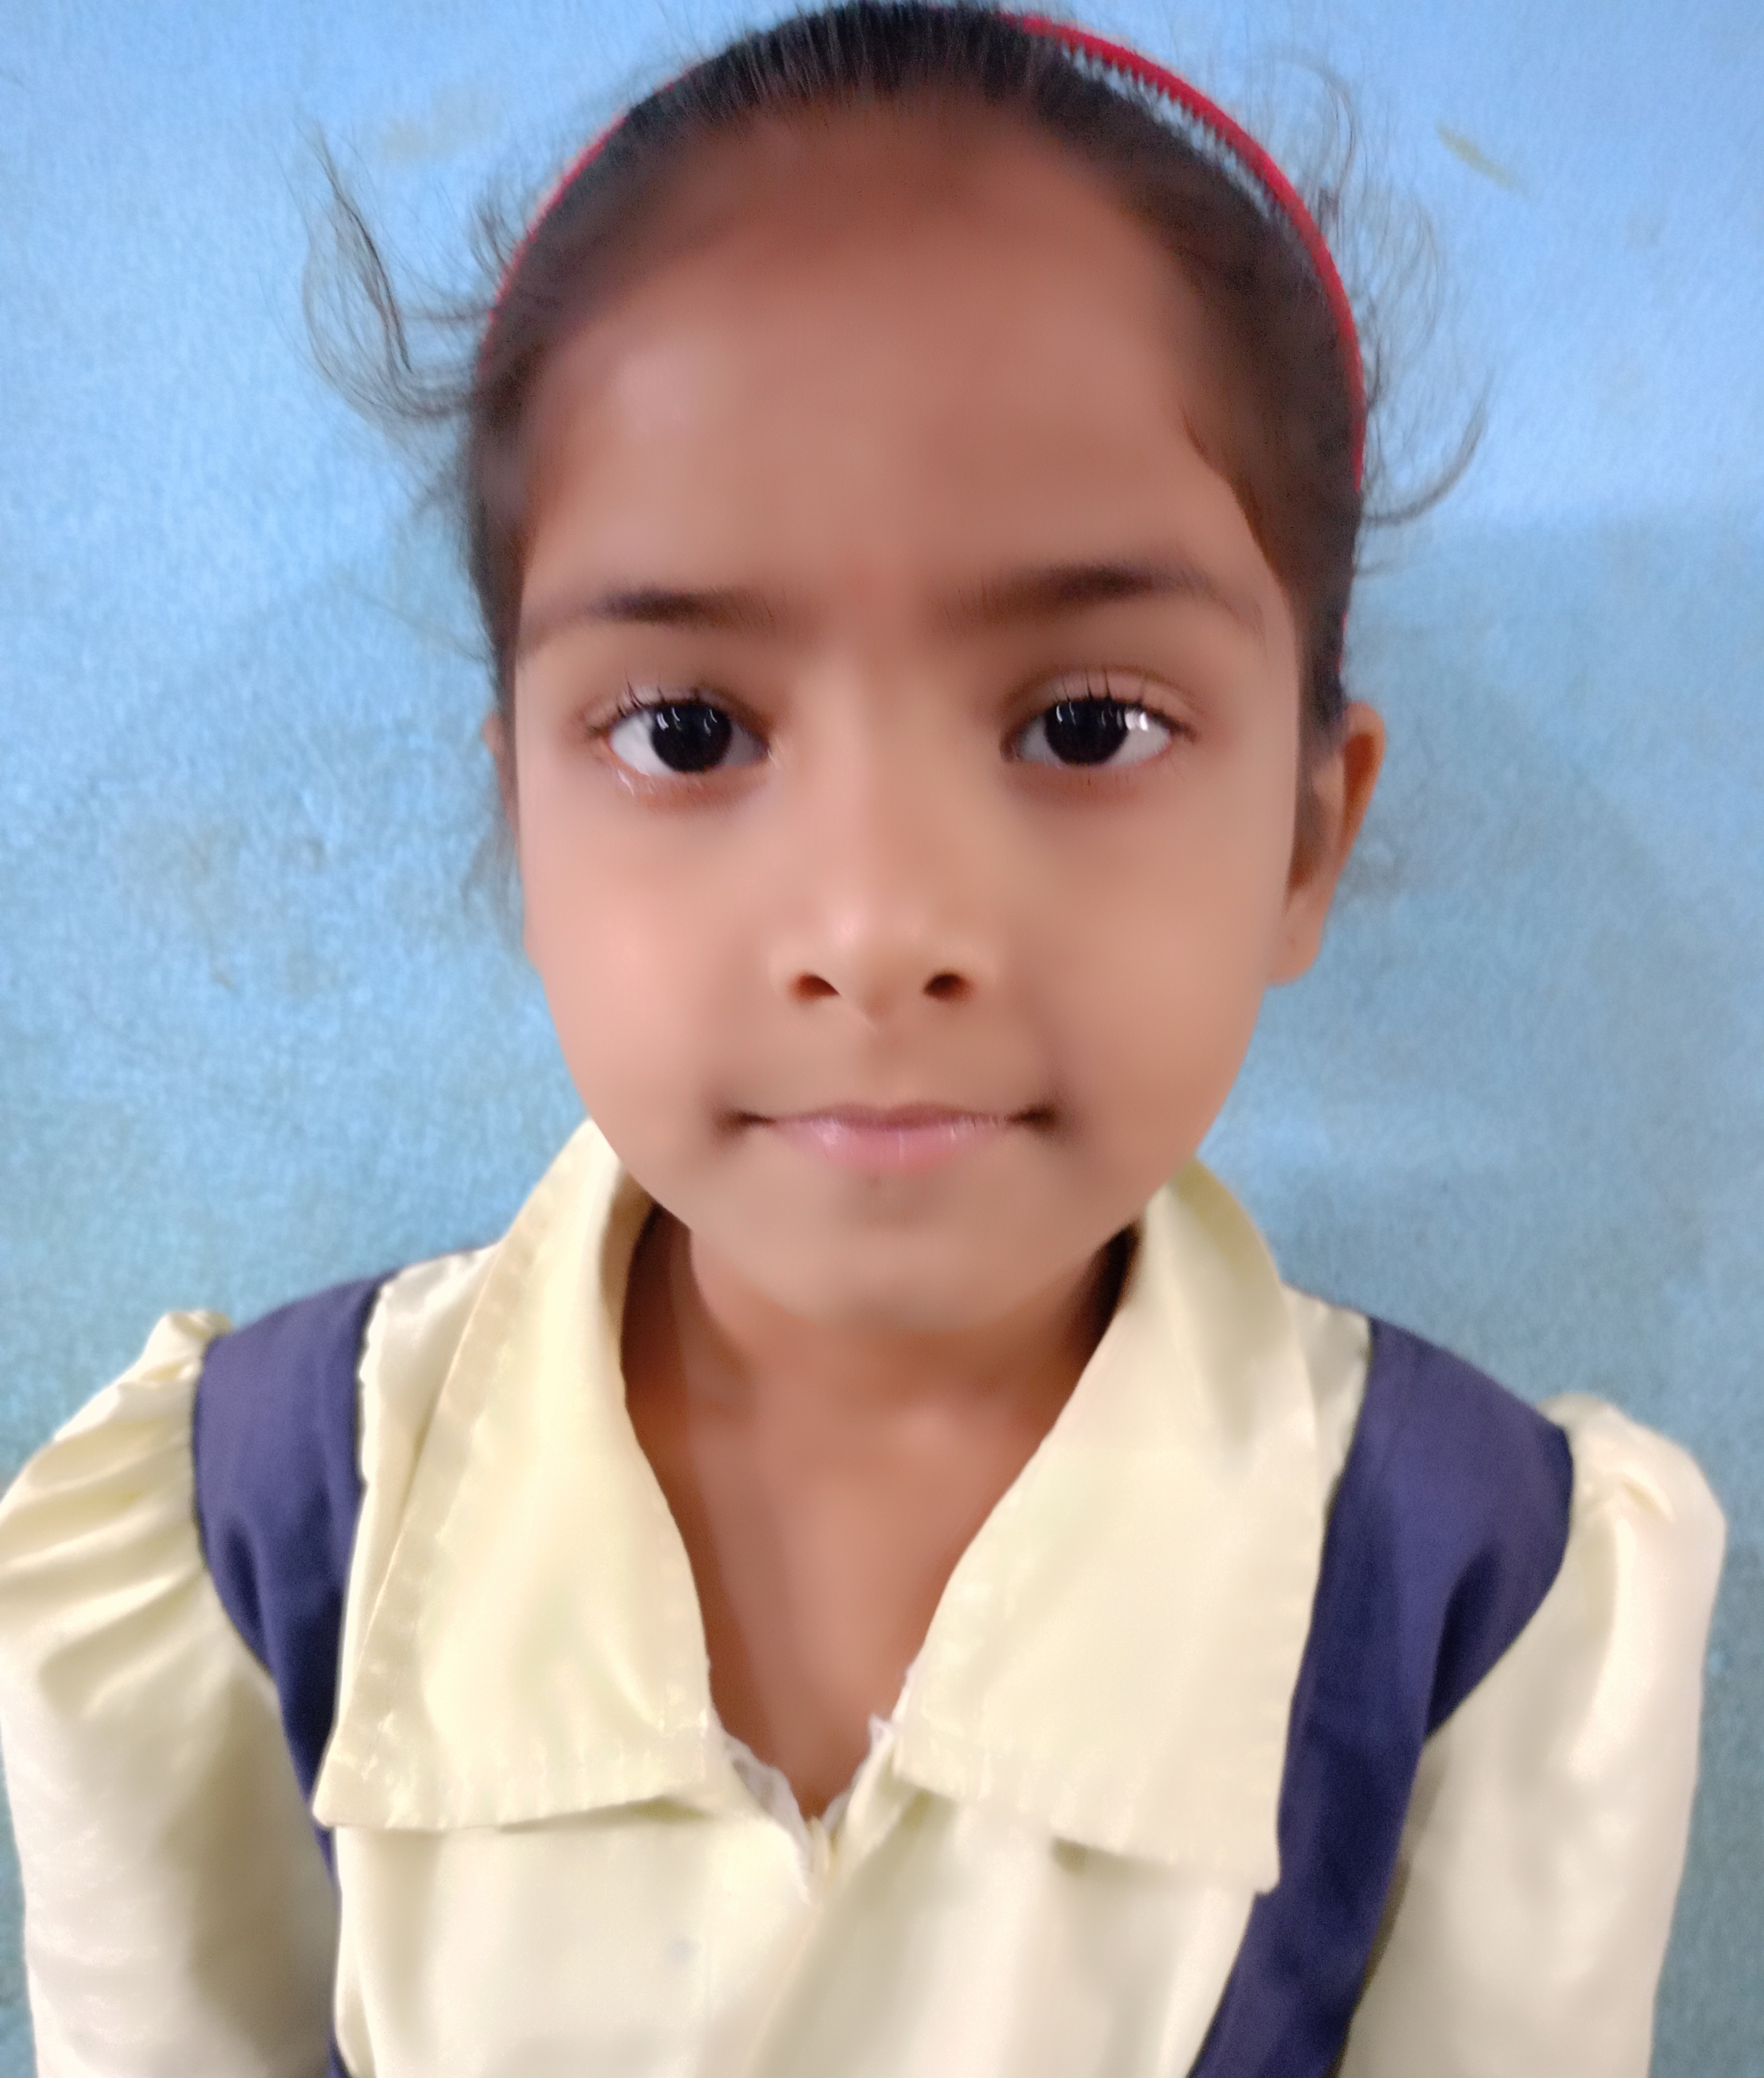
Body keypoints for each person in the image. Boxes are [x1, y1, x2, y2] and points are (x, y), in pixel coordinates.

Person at [0, 6, 1724, 2075]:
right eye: (687, 732)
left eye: (1087, 725)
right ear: (522, 823)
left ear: (1305, 838)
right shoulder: (235, 1544)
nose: (880, 926)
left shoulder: (1483, 1603)